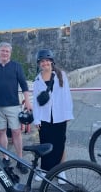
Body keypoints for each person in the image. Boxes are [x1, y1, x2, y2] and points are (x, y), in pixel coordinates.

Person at [0, 42, 32, 174]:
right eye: (2, 51)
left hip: (13, 105)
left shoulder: (16, 66)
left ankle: (20, 160)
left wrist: (28, 101)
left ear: (10, 53)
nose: (5, 53)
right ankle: (5, 157)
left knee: (16, 132)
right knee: (1, 132)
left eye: (7, 51)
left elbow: (24, 85)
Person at [32, 49, 74, 184]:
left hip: (59, 115)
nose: (45, 63)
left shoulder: (61, 75)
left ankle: (61, 170)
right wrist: (36, 118)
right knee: (45, 144)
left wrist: (68, 113)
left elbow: (67, 95)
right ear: (39, 64)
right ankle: (44, 169)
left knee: (60, 144)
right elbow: (36, 101)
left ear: (51, 61)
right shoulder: (37, 80)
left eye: (47, 60)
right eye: (42, 61)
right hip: (44, 117)